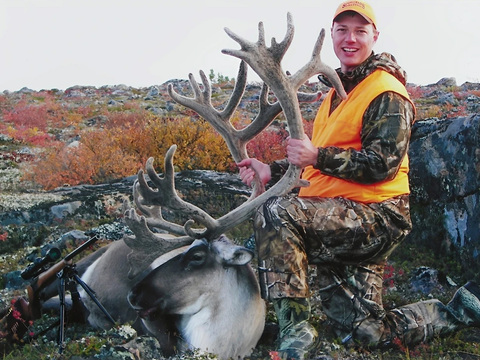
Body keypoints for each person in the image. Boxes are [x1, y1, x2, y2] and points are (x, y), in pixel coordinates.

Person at [238, 1, 480, 359]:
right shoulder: (335, 95)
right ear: (333, 36)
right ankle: (464, 308)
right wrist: (271, 170)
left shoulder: (386, 93)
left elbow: (381, 164)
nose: (350, 39)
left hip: (376, 218)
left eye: (360, 31)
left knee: (276, 213)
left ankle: (295, 331)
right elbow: (319, 164)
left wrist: (316, 155)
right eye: (342, 31)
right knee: (366, 332)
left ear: (374, 37)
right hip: (338, 216)